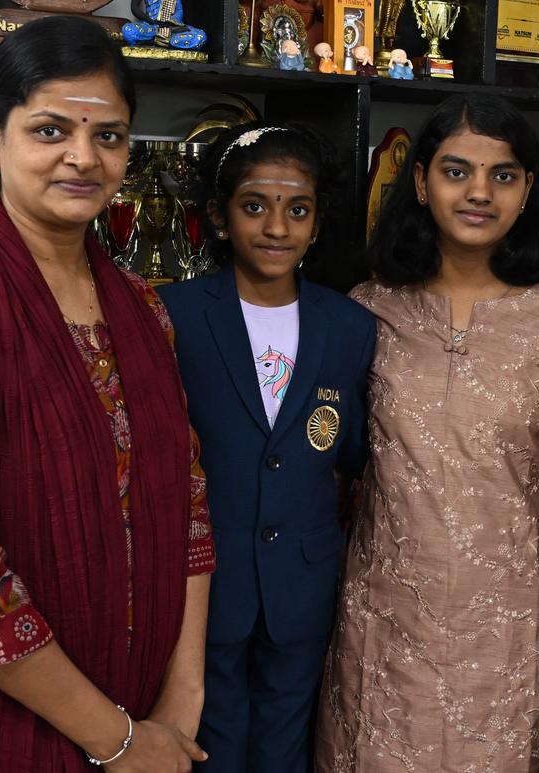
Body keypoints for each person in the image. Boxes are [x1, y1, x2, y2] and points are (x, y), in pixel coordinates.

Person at [0, 16, 215, 773]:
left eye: (109, 136)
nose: (82, 157)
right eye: (51, 129)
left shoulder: (143, 310)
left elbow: (187, 508)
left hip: (141, 719)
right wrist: (115, 740)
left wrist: (177, 711)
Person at [315, 93, 539, 772]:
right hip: (386, 632)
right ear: (420, 181)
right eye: (456, 171)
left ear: (529, 189)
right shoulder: (368, 312)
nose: (479, 192)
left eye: (503, 175)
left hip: (520, 640)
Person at [157, 124, 375, 772]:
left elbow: (352, 448)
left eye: (297, 209)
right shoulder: (175, 313)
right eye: (255, 206)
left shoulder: (349, 325)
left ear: (317, 223)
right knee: (211, 741)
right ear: (221, 218)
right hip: (207, 586)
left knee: (286, 743)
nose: (277, 226)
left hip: (302, 585)